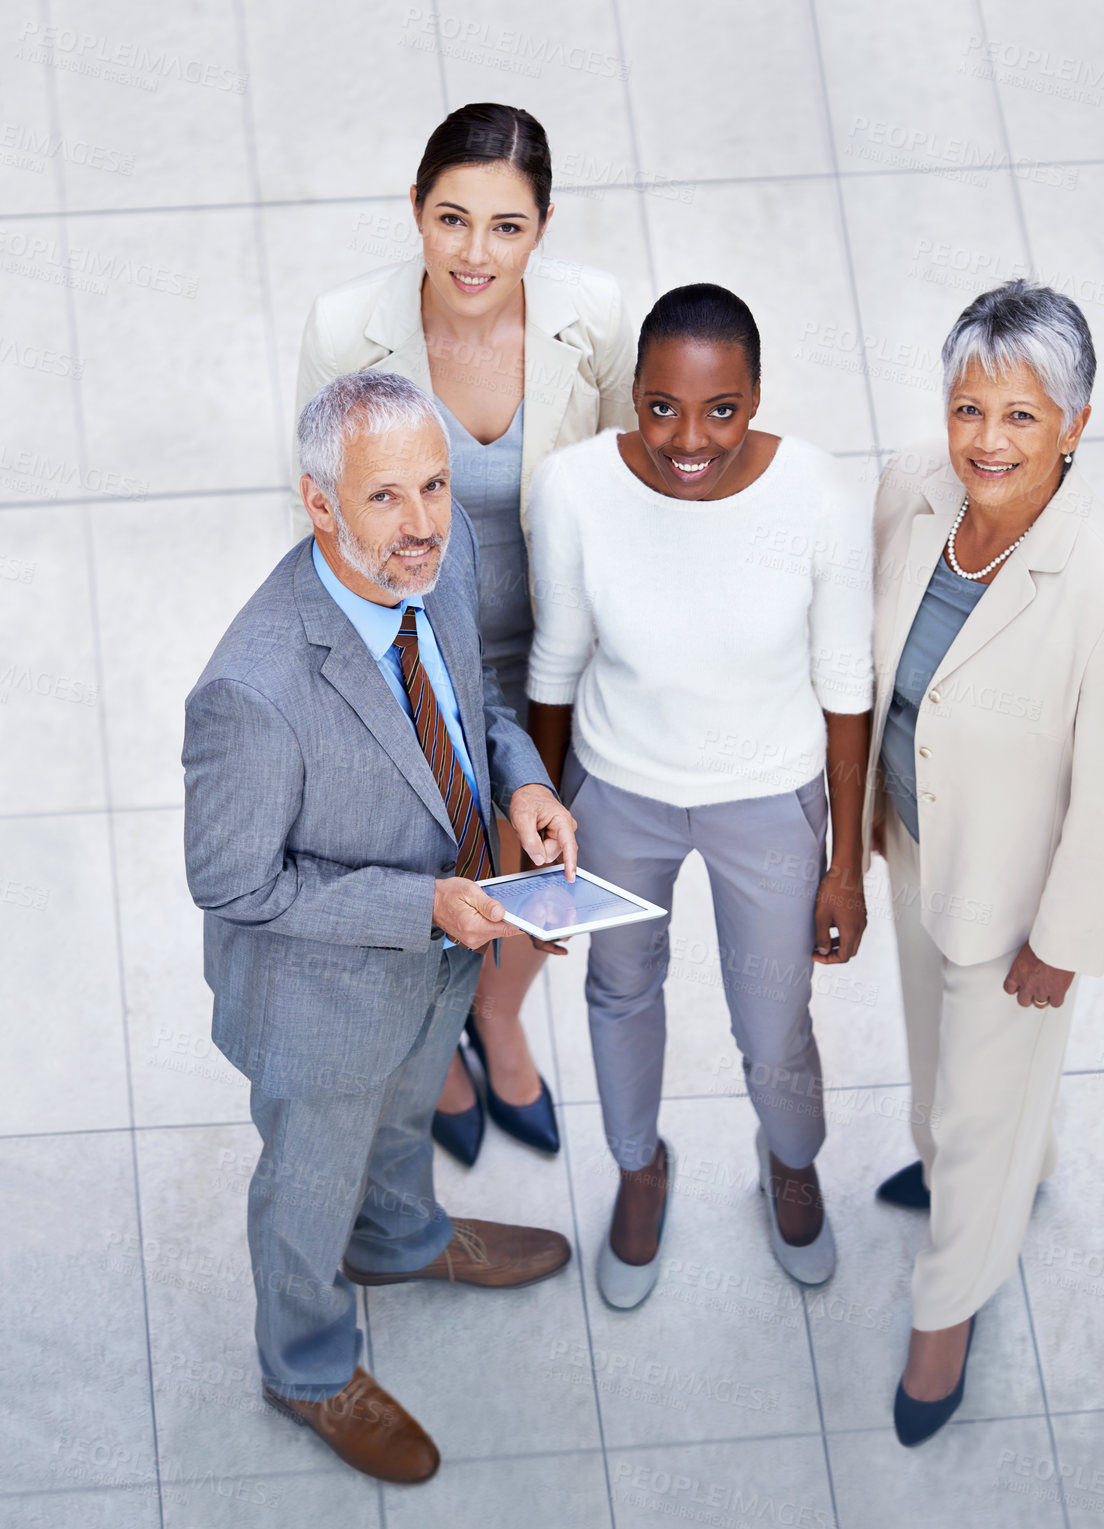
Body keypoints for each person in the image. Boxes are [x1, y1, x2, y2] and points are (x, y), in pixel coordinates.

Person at [182, 371, 579, 1484]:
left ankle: (400, 1238)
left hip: (439, 959)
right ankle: (306, 1365)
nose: (421, 526)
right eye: (385, 499)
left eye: (437, 487)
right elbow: (231, 883)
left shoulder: (438, 574)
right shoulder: (250, 690)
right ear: (319, 504)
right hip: (322, 1005)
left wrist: (526, 787)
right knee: (308, 1187)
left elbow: (478, 706)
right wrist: (422, 905)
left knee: (405, 1116)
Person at [291, 102, 638, 1166]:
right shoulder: (348, 327)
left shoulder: (596, 314)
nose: (474, 253)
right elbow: (323, 502)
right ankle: (442, 1037)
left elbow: (628, 477)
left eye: (506, 227)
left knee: (560, 859)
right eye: (451, 219)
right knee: (425, 859)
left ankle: (499, 1014)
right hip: (409, 646)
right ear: (415, 209)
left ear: (541, 228)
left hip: (552, 648)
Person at [865, 279, 1104, 1446]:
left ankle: (946, 1312)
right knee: (943, 1068)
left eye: (1022, 416)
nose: (986, 441)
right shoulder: (909, 491)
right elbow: (876, 670)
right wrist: (861, 826)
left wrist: (1064, 937)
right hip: (910, 842)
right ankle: (987, 1158)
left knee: (981, 1098)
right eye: (969, 408)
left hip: (1014, 904)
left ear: (1076, 426)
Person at [527, 285, 874, 1308]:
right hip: (618, 789)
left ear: (757, 396)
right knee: (619, 989)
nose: (690, 438)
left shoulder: (817, 492)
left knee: (774, 1021)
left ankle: (793, 1157)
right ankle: (640, 1166)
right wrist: (537, 833)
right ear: (632, 393)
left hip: (768, 795)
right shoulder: (574, 486)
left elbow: (845, 682)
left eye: (721, 408)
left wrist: (843, 864)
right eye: (662, 406)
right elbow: (557, 658)